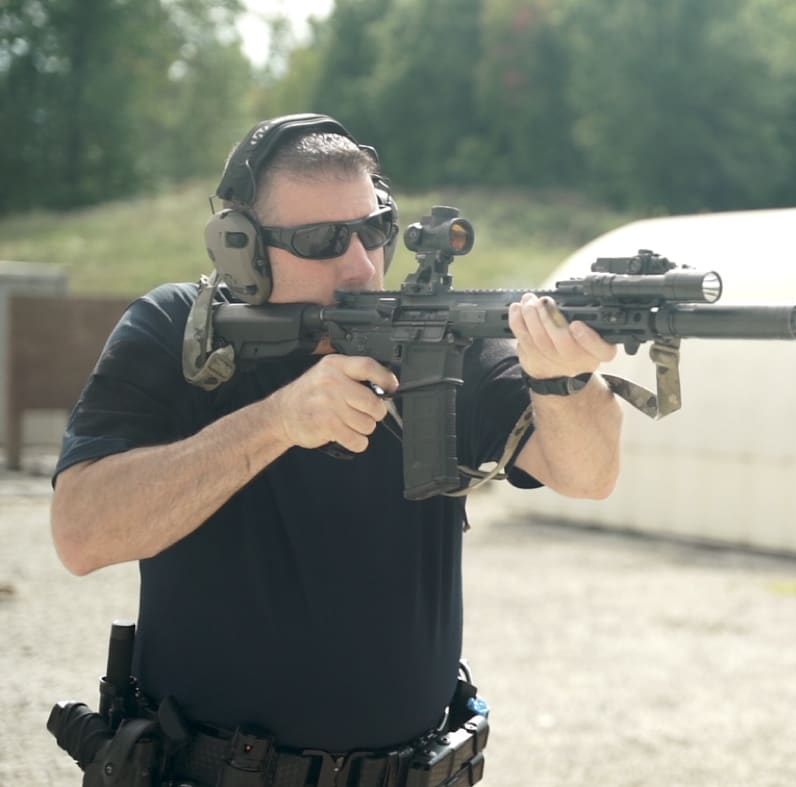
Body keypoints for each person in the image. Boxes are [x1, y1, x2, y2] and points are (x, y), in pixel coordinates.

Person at [48, 114, 622, 784]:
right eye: (321, 240)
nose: (360, 264)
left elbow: (589, 473)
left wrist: (564, 378)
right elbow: (80, 532)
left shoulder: (435, 339)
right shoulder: (178, 331)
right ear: (242, 249)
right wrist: (276, 422)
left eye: (374, 229)